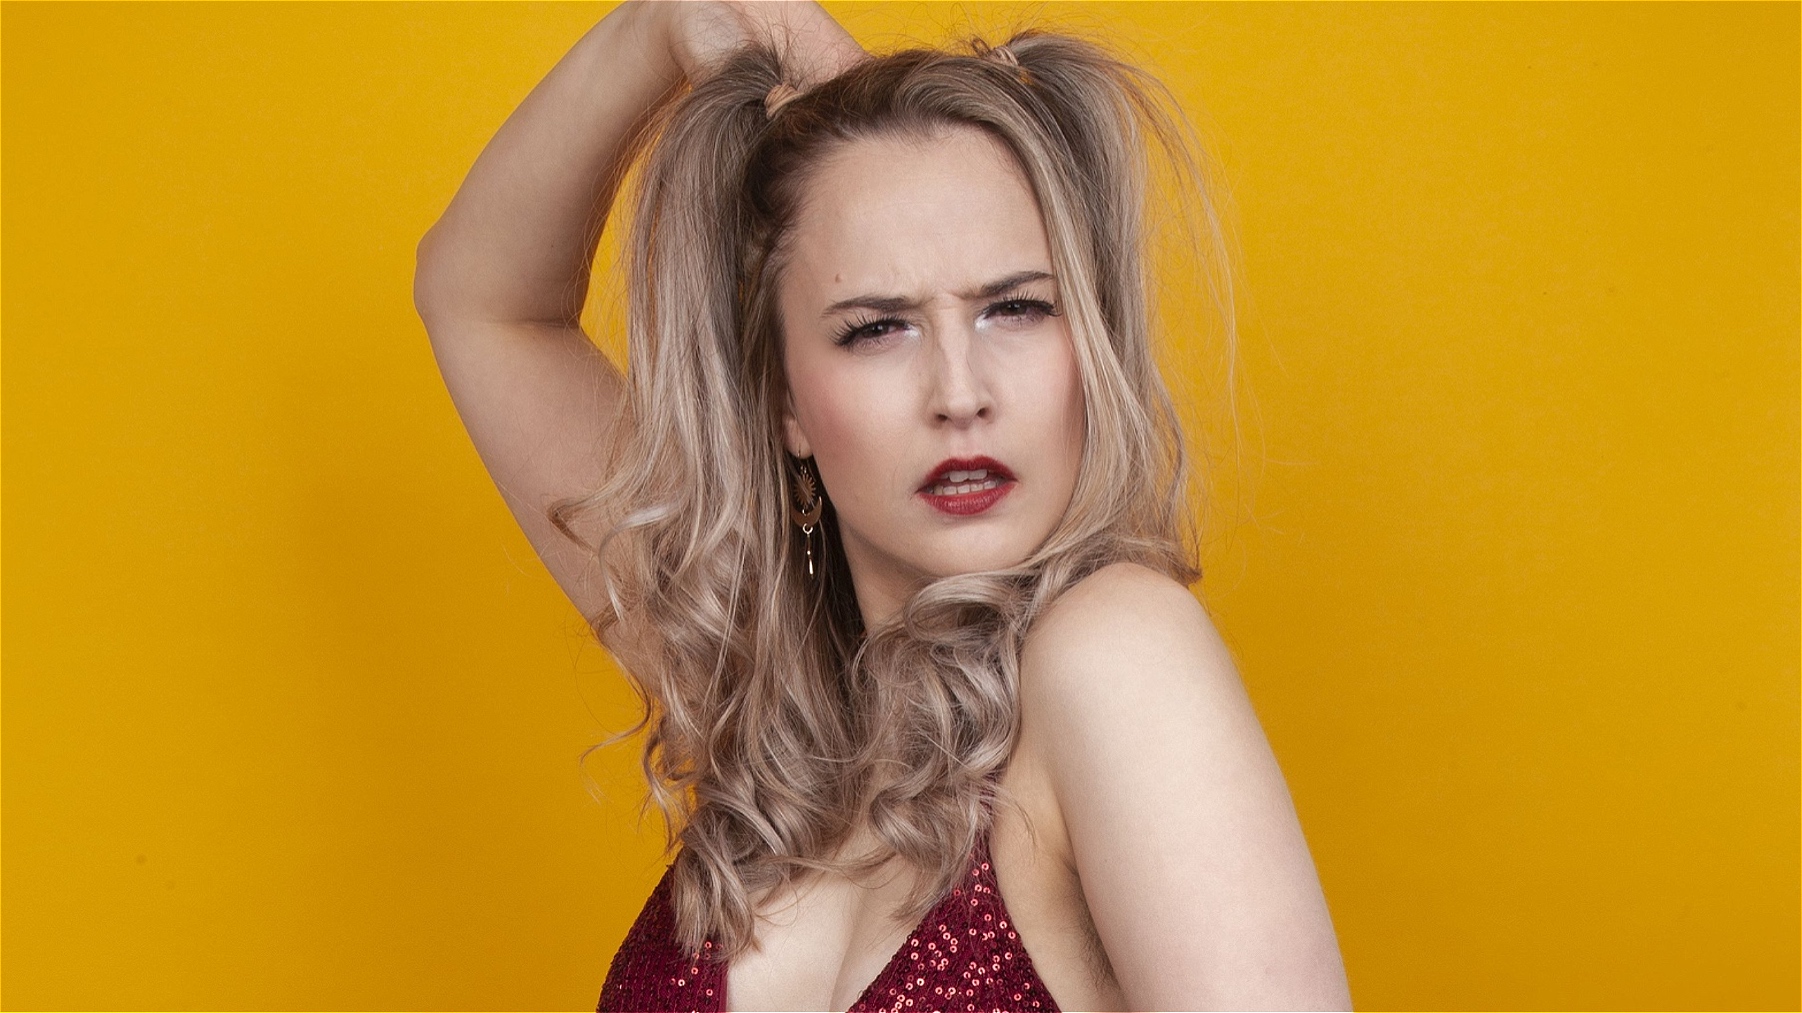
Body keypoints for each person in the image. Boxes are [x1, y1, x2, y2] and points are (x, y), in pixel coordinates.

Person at [414, 3, 1351, 1010]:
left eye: (1016, 307)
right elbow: (476, 297)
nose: (959, 391)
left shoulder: (1115, 653)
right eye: (876, 329)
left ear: (1089, 341)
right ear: (784, 400)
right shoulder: (772, 703)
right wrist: (666, 21)